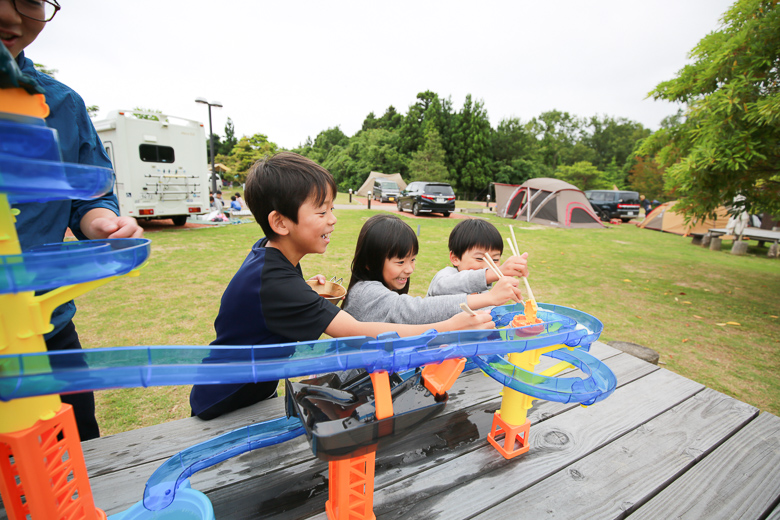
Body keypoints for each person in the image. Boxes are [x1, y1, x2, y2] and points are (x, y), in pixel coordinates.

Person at [189, 152, 493, 420]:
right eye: (322, 212)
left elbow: (259, 300)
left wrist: (304, 289)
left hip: (250, 389)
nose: (333, 220)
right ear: (281, 222)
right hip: (225, 403)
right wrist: (451, 325)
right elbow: (361, 331)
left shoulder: (270, 254)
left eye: (332, 209)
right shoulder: (277, 283)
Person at [3, 0, 143, 440]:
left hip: (44, 328)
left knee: (76, 456)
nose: (10, 16)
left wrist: (103, 221)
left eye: (27, 0)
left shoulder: (61, 104)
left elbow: (90, 199)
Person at [342, 214, 523, 324]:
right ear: (369, 262)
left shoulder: (381, 290)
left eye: (412, 260)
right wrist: (489, 294)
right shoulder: (365, 292)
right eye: (400, 262)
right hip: (352, 384)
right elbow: (415, 311)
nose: (410, 269)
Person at [427, 219, 529, 305]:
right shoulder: (446, 276)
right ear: (455, 258)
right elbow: (441, 287)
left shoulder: (484, 290)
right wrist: (495, 272)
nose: (488, 266)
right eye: (480, 258)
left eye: (495, 260)